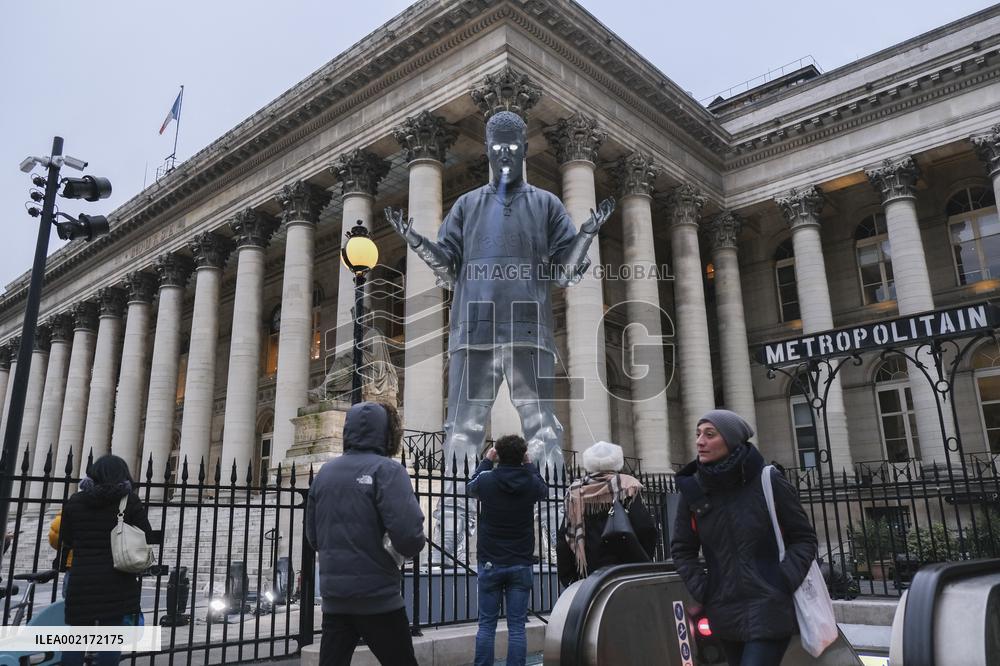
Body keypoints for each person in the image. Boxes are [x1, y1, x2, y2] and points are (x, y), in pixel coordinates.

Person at [385, 110, 615, 560]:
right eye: (498, 147)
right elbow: (447, 269)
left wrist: (586, 232)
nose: (505, 154)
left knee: (543, 431)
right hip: (474, 330)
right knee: (462, 432)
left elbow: (566, 272)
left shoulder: (546, 203)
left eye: (513, 146)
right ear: (488, 150)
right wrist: (415, 240)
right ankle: (447, 539)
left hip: (530, 330)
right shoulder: (466, 205)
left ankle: (556, 535)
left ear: (524, 150)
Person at [671, 409, 818, 666]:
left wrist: (782, 580)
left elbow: (803, 538)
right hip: (723, 609)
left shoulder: (768, 480)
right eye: (698, 434)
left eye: (709, 434)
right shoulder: (693, 491)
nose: (699, 441)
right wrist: (704, 589)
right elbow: (683, 549)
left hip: (769, 607)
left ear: (730, 440)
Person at [305, 401, 426, 666]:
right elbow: (410, 535)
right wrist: (396, 553)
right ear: (387, 433)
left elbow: (313, 537)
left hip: (335, 599)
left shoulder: (325, 473)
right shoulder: (387, 470)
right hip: (378, 597)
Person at [59, 454, 152, 666]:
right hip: (117, 576)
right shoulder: (128, 501)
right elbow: (145, 533)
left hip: (83, 577)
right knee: (110, 638)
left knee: (77, 636)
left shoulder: (76, 501)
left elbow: (66, 537)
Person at [466, 434, 547, 666]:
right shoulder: (531, 482)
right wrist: (530, 465)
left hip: (490, 560)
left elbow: (470, 487)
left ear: (498, 454)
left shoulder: (487, 480)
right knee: (517, 627)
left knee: (486, 625)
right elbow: (544, 490)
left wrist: (486, 461)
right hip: (521, 561)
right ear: (522, 455)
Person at [556, 441, 657, 586]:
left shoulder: (576, 491)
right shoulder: (626, 486)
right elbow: (645, 528)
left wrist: (569, 578)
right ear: (617, 461)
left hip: (589, 576)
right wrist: (642, 562)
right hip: (625, 571)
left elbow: (564, 539)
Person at [48, 511, 72, 597]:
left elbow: (54, 538)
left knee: (67, 600)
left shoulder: (75, 505)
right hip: (103, 561)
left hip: (74, 561)